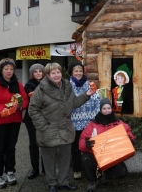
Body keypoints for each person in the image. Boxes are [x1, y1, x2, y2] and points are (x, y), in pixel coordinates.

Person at [28, 63, 95, 192]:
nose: (56, 75)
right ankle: (52, 183)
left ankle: (63, 182)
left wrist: (87, 94)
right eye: (53, 73)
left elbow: (73, 103)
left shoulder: (67, 86)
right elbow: (33, 109)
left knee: (65, 158)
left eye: (58, 72)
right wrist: (42, 126)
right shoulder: (41, 89)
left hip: (65, 128)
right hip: (48, 129)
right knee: (49, 159)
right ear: (47, 75)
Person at [0, 58, 29, 189]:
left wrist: (21, 107)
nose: (9, 71)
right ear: (1, 70)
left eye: (11, 69)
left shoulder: (18, 84)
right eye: (6, 69)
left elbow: (24, 100)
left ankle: (10, 172)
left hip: (15, 121)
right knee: (0, 148)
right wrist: (2, 110)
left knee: (11, 147)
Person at [79, 98, 135, 192]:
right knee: (85, 158)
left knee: (122, 172)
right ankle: (93, 181)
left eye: (108, 108)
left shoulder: (118, 123)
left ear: (111, 109)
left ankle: (104, 173)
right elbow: (81, 143)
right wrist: (86, 143)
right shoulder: (93, 124)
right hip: (95, 156)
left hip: (111, 156)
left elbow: (128, 133)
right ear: (100, 110)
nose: (106, 110)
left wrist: (131, 140)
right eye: (104, 108)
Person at [68, 62, 100, 180]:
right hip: (73, 122)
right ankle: (77, 169)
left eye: (80, 71)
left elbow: (97, 100)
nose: (78, 73)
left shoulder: (90, 85)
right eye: (75, 71)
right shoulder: (67, 86)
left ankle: (90, 169)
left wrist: (96, 119)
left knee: (89, 147)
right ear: (71, 72)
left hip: (88, 123)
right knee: (75, 147)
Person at [23, 63, 46, 179]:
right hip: (31, 118)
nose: (38, 73)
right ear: (32, 74)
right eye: (35, 71)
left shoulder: (48, 83)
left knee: (46, 143)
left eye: (40, 71)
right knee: (34, 143)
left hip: (45, 117)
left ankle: (46, 167)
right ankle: (35, 168)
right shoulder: (28, 85)